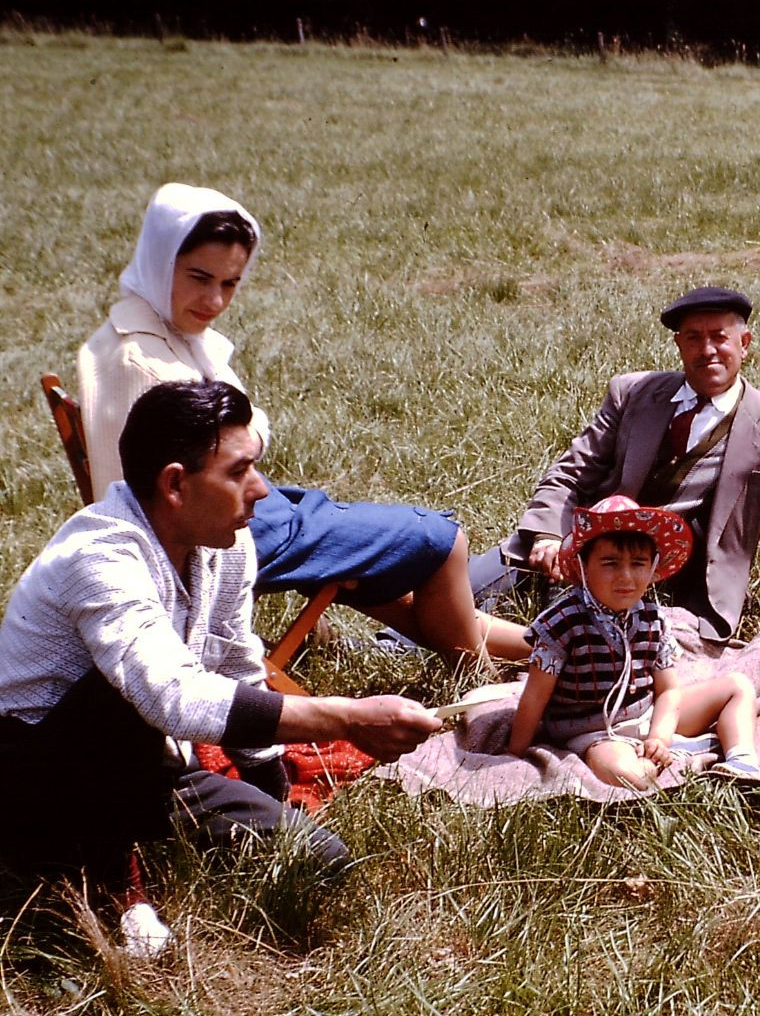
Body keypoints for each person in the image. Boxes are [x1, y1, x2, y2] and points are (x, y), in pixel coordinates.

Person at [0, 381, 442, 956]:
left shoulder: (226, 542)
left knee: (317, 860)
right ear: (176, 483)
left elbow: (236, 664)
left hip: (144, 765)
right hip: (38, 775)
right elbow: (170, 699)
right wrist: (346, 719)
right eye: (238, 471)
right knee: (122, 697)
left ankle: (131, 848)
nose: (260, 489)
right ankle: (107, 895)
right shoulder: (100, 555)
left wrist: (271, 792)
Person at [78, 182, 528, 663]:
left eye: (229, 283)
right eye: (198, 277)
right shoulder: (149, 364)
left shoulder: (137, 336)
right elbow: (236, 445)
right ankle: (483, 680)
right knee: (441, 540)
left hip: (221, 517)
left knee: (377, 566)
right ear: (159, 261)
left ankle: (546, 653)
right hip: (219, 539)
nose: (214, 300)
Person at [492, 286, 760, 644]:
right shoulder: (632, 393)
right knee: (462, 591)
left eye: (720, 337)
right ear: (678, 345)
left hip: (673, 582)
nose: (707, 351)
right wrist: (547, 535)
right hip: (582, 547)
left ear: (744, 343)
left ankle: (542, 649)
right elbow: (573, 470)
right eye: (693, 338)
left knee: (610, 647)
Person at [506, 496, 760, 790]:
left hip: (645, 713)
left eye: (638, 563)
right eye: (610, 563)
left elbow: (668, 691)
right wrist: (515, 753)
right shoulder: (563, 623)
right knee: (631, 777)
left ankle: (740, 760)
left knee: (738, 686)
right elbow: (535, 697)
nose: (626, 576)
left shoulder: (652, 619)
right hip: (593, 730)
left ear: (652, 568)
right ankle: (664, 758)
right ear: (583, 565)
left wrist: (658, 737)